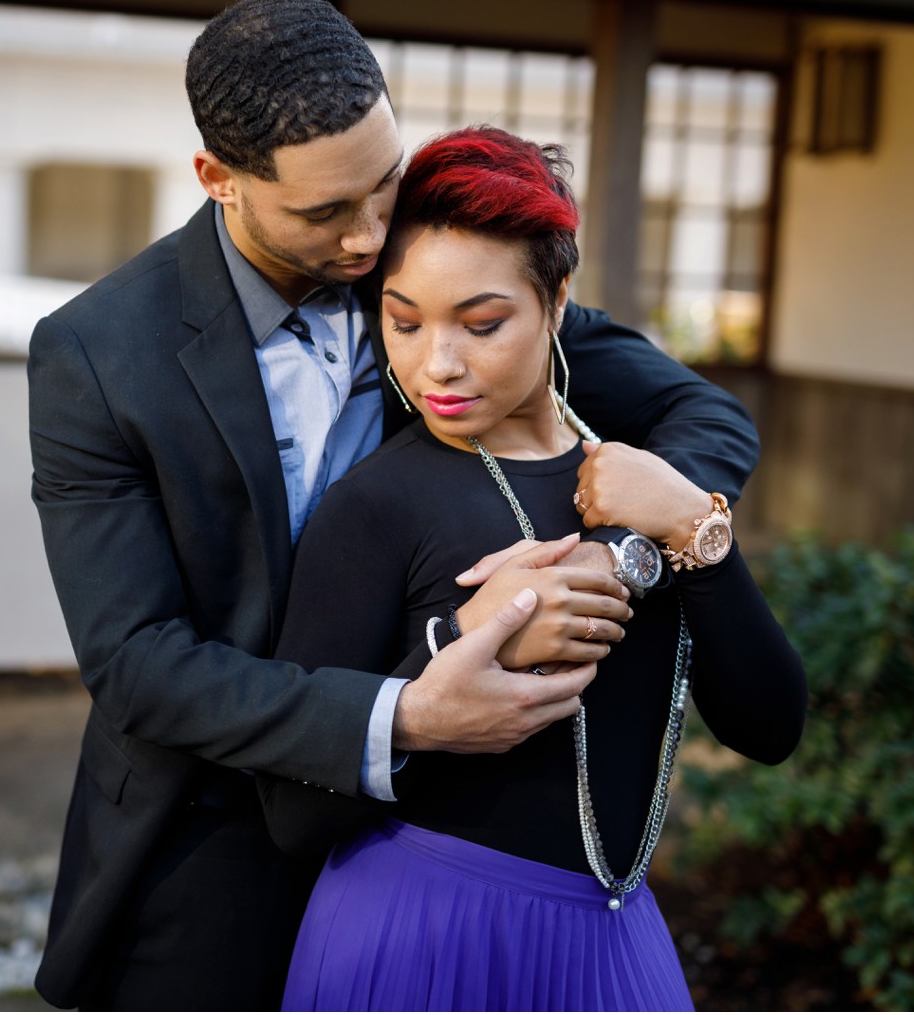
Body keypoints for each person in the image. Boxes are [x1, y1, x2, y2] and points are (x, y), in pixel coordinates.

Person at [28, 0, 761, 1011]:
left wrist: (617, 548)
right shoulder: (98, 356)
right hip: (210, 833)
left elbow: (700, 413)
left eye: (383, 183)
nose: (371, 238)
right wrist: (403, 711)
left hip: (433, 845)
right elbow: (136, 658)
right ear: (218, 181)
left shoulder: (433, 268)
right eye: (326, 213)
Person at [263, 125, 808, 1011]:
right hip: (419, 935)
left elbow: (770, 725)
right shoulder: (376, 505)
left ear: (557, 302)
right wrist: (467, 643)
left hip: (614, 932)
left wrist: (695, 526)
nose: (436, 363)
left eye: (482, 323)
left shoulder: (639, 482)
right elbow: (293, 815)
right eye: (402, 321)